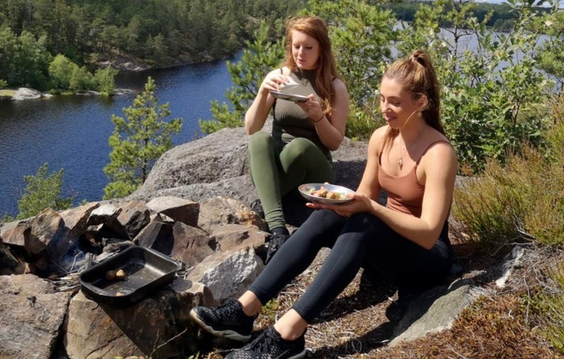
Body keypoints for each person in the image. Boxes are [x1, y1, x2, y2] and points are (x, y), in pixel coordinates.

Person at [190, 50, 458, 359]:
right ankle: (243, 311)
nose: (385, 108)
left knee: (365, 221)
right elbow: (365, 196)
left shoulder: (438, 153)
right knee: (328, 217)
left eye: (395, 102)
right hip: (388, 248)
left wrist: (369, 208)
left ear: (421, 103)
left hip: (427, 260)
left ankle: (287, 335)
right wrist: (339, 203)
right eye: (382, 99)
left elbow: (427, 233)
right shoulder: (382, 137)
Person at [243, 15, 349, 264]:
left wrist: (318, 117)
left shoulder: (334, 87)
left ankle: (269, 204)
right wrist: (263, 91)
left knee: (300, 146)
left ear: (322, 48)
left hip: (315, 167)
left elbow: (334, 142)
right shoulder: (281, 77)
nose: (301, 52)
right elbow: (251, 127)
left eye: (308, 47)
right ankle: (279, 231)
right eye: (296, 45)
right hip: (280, 167)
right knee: (259, 140)